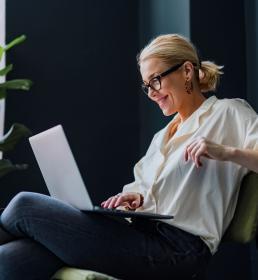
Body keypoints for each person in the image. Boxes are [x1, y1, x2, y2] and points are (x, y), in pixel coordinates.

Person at [0, 33, 258, 280]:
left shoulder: (228, 113)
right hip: (138, 235)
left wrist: (226, 152)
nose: (152, 93)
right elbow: (144, 192)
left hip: (179, 251)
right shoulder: (161, 137)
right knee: (11, 259)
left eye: (156, 80)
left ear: (187, 71)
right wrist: (133, 199)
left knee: (24, 206)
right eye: (147, 86)